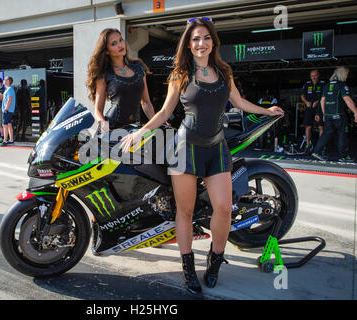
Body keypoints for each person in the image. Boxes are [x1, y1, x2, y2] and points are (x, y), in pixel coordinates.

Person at [120, 17, 284, 295]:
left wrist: (267, 111)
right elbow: (164, 112)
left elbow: (239, 103)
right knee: (184, 212)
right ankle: (188, 267)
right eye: (195, 38)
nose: (201, 43)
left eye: (206, 38)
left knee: (223, 208)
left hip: (216, 148)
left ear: (213, 42)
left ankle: (214, 260)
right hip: (186, 148)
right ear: (189, 43)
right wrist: (140, 132)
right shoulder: (180, 74)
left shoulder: (224, 72)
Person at [86, 28, 156, 133]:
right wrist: (104, 125)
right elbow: (98, 111)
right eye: (114, 44)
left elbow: (146, 102)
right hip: (111, 129)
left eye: (121, 40)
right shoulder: (105, 74)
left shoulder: (139, 68)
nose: (120, 45)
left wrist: (156, 122)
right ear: (106, 51)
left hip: (134, 129)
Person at [312, 66, 357, 162]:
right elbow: (347, 99)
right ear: (343, 75)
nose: (346, 77)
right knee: (342, 134)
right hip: (339, 115)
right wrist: (355, 112)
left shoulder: (327, 85)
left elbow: (322, 101)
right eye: (346, 75)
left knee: (326, 134)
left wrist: (324, 114)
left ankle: (316, 152)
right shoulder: (342, 85)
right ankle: (342, 156)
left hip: (328, 115)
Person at [301, 70, 325, 152]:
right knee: (308, 126)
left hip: (319, 108)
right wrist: (306, 102)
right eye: (312, 76)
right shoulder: (307, 84)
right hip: (309, 107)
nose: (314, 77)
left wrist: (317, 101)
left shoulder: (323, 84)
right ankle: (308, 145)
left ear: (318, 75)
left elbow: (324, 96)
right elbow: (302, 96)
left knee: (321, 126)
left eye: (315, 75)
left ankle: (321, 146)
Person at [0, 76, 16, 147]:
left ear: (8, 81)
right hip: (9, 110)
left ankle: (5, 140)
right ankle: (11, 139)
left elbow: (10, 100)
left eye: (5, 80)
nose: (4, 81)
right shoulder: (8, 89)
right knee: (9, 125)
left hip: (7, 110)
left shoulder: (9, 89)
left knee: (5, 125)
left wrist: (6, 109)